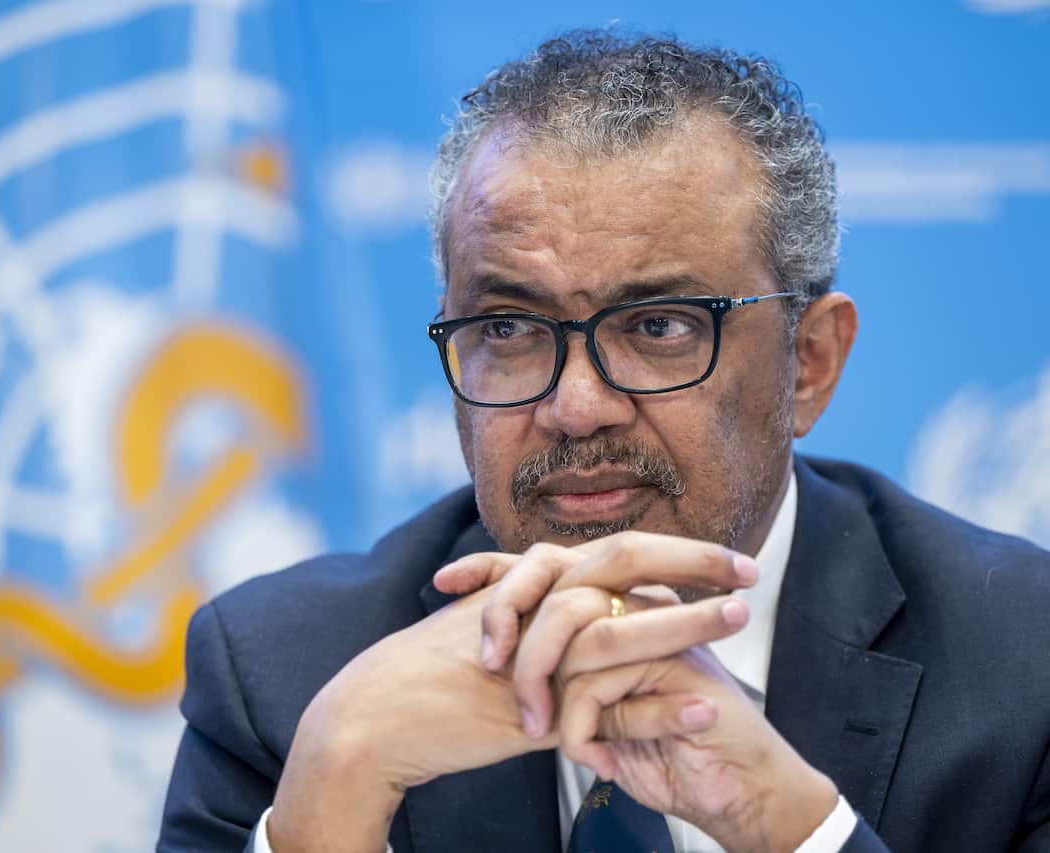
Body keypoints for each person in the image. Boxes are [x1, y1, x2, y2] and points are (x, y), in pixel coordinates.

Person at [157, 30, 1050, 853]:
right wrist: (334, 791)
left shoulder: (1022, 664)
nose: (577, 407)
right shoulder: (288, 678)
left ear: (808, 363)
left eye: (659, 325)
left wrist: (789, 825)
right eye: (506, 329)